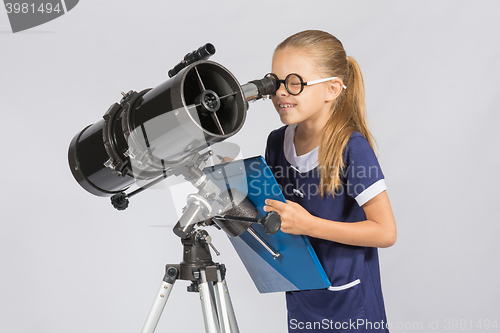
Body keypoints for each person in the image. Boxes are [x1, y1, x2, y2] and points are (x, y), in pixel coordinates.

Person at [263, 30, 397, 332]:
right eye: (274, 83)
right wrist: (238, 184)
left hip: (350, 304)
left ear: (332, 88)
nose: (281, 93)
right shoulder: (275, 143)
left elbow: (386, 232)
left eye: (294, 83)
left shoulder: (352, 147)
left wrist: (310, 226)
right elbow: (275, 217)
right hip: (303, 298)